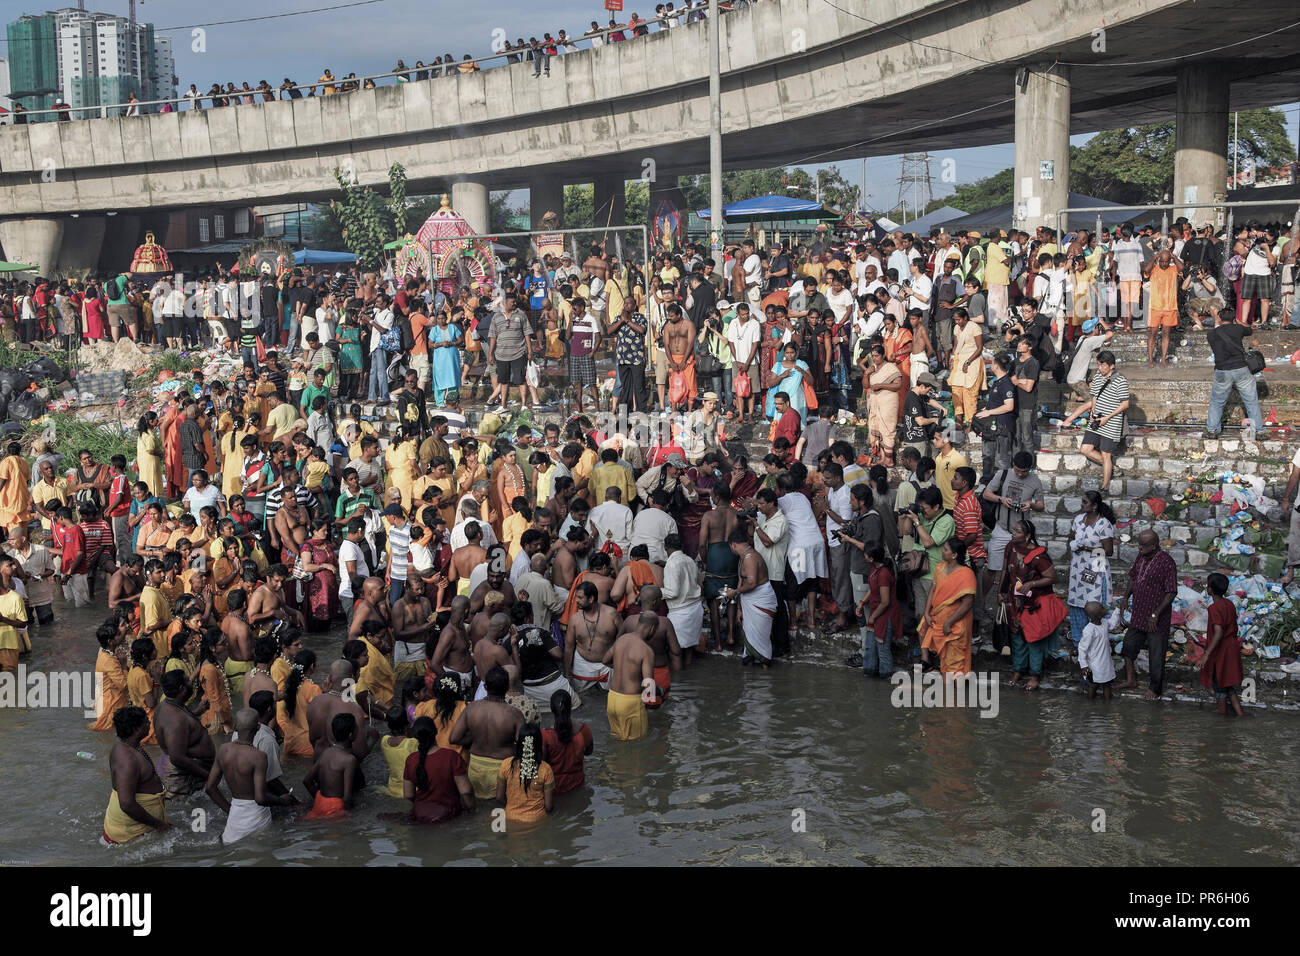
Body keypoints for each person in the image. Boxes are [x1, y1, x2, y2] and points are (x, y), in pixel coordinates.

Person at [204, 708, 295, 843]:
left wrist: (231, 811)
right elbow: (260, 798)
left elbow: (210, 788)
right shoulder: (258, 757)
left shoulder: (223, 750)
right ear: (258, 727)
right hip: (257, 818)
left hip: (234, 819)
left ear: (235, 727)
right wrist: (283, 800)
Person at [999, 520, 1064, 692]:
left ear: (1027, 536)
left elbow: (1052, 577)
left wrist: (1032, 584)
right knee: (1016, 635)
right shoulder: (1010, 548)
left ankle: (1035, 674)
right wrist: (1001, 591)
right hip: (1015, 600)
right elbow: (1005, 570)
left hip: (1034, 602)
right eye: (1013, 530)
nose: (1013, 533)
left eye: (1018, 531)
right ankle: (1018, 670)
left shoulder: (1038, 555)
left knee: (1034, 638)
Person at [1116, 530, 1177, 700]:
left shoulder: (1166, 562)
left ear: (1153, 546)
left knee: (1156, 653)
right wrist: (1126, 597)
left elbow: (1171, 591)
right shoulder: (1141, 557)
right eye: (1139, 544)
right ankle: (1130, 679)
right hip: (1139, 612)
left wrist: (1156, 613)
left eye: (1143, 545)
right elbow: (1134, 577)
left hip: (1156, 617)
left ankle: (1155, 689)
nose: (1139, 548)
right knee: (1128, 645)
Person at [449, 665, 524, 799]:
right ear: (507, 687)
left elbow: (453, 738)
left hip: (475, 767)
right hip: (502, 768)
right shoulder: (515, 714)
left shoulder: (471, 708)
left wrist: (474, 738)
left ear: (485, 687)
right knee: (499, 812)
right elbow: (525, 748)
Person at [102, 707, 170, 845]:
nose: (149, 724)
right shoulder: (128, 760)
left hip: (137, 827)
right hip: (129, 835)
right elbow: (127, 804)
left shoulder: (126, 746)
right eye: (146, 722)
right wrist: (159, 825)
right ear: (137, 729)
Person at [1062, 349, 1128, 488]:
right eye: (1099, 364)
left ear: (1111, 366)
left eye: (1103, 365)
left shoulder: (1120, 380)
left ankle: (1104, 486)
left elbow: (1125, 404)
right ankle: (1113, 468)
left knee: (1106, 454)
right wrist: (1093, 411)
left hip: (1111, 423)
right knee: (1085, 449)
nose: (1100, 368)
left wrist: (1107, 417)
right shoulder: (1097, 377)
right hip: (1096, 420)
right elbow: (1094, 396)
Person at [1065, 491, 1115, 652]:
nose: (1082, 505)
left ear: (1094, 506)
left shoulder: (1103, 524)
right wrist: (1074, 543)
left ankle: (1096, 642)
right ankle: (1079, 642)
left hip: (1096, 565)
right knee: (1077, 600)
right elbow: (1071, 536)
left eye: (1085, 502)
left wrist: (1086, 547)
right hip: (1078, 567)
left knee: (1093, 600)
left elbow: (1108, 551)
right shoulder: (1079, 520)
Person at [918, 538, 977, 675]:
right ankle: (949, 693)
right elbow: (933, 590)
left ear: (955, 555)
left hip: (956, 625)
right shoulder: (940, 567)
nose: (942, 552)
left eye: (945, 549)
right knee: (945, 664)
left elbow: (967, 603)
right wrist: (926, 613)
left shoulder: (966, 574)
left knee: (955, 665)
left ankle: (954, 693)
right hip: (938, 620)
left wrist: (949, 622)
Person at [403, 715, 474, 823]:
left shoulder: (411, 760)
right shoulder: (451, 756)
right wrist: (472, 811)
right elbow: (466, 791)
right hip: (448, 816)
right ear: (436, 732)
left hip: (419, 816)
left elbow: (408, 795)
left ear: (415, 736)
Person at [1204, 313, 1262, 438]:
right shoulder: (1238, 328)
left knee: (1216, 402)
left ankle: (1212, 430)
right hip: (1241, 369)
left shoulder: (1211, 334)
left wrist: (1216, 321)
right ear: (1233, 319)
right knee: (1251, 401)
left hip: (1222, 371)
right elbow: (1249, 330)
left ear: (1219, 319)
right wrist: (1239, 321)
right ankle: (1259, 431)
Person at [1197, 572, 1244, 716]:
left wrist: (1206, 654)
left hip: (1222, 651)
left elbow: (1218, 632)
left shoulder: (1214, 608)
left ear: (1210, 590)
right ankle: (1240, 715)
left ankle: (1222, 720)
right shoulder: (1229, 603)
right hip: (1232, 648)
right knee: (1228, 686)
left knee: (1219, 687)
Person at [604, 614, 655, 740]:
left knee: (617, 741)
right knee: (636, 747)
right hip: (630, 703)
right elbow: (648, 685)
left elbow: (605, 660)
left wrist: (622, 669)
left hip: (612, 699)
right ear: (652, 628)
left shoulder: (621, 639)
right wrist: (655, 695)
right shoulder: (646, 650)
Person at [303, 712, 361, 818]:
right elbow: (347, 798)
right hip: (336, 808)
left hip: (319, 802)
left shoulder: (326, 752)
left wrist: (319, 799)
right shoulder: (350, 760)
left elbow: (307, 781)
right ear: (350, 735)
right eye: (357, 728)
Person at [495, 723, 554, 823]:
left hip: (510, 818)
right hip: (536, 820)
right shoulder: (546, 769)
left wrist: (513, 808)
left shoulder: (506, 765)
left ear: (519, 744)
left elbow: (499, 797)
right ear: (539, 744)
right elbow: (548, 807)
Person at [540, 689, 593, 794]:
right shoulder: (583, 730)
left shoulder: (545, 735)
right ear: (570, 707)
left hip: (552, 789)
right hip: (578, 784)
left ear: (552, 709)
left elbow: (541, 763)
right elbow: (588, 752)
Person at [1077, 601, 1115, 702]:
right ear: (1098, 615)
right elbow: (1082, 648)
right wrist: (1084, 665)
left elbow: (1113, 623)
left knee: (1107, 684)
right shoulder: (1089, 630)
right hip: (1094, 665)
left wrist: (1118, 610)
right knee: (1093, 685)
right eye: (1102, 608)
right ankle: (1090, 704)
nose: (1105, 608)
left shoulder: (1104, 623)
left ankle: (1107, 704)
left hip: (1105, 661)